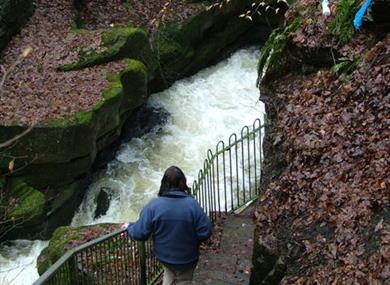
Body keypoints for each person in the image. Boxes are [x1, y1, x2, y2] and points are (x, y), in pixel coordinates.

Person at [122, 166, 212, 285]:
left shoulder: (154, 206)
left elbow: (140, 233)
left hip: (164, 257)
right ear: (183, 183)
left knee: (169, 272)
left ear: (164, 184)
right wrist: (193, 240)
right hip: (187, 257)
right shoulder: (192, 205)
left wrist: (129, 227)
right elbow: (206, 231)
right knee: (184, 280)